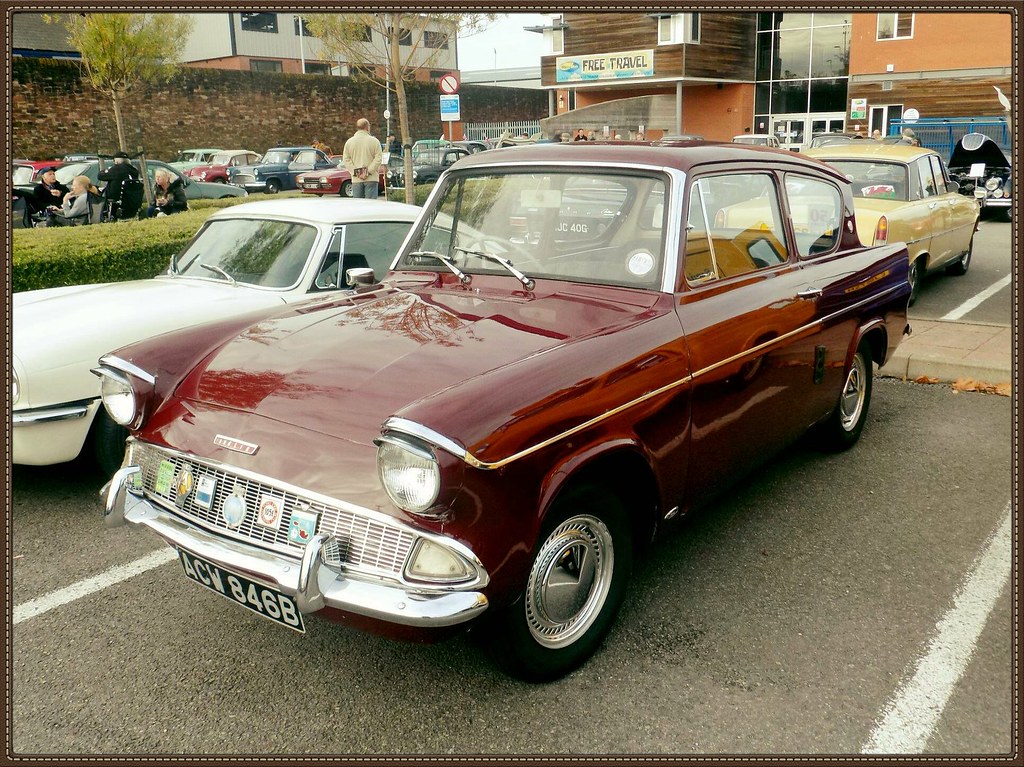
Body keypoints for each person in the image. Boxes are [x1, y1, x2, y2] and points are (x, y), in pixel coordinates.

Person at [341, 117, 383, 199]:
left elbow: (346, 160)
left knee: (358, 204)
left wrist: (357, 172)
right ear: (367, 127)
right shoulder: (375, 141)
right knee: (371, 203)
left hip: (357, 179)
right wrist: (368, 171)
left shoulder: (349, 142)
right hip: (371, 178)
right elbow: (378, 159)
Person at [98, 151, 140, 216]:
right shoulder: (134, 171)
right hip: (131, 199)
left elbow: (100, 176)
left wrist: (104, 170)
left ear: (117, 161)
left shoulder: (117, 169)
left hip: (116, 199)